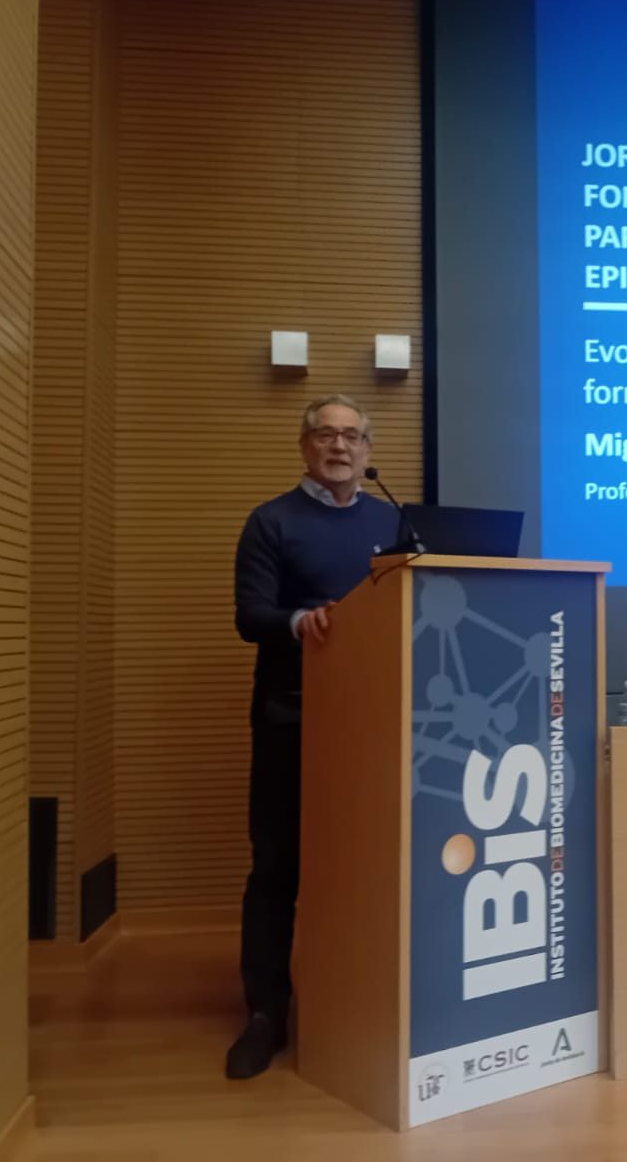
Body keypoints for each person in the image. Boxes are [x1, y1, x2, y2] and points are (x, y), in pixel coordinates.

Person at [226, 394, 398, 1079]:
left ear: (367, 450)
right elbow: (250, 616)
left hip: (378, 723)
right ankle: (266, 1013)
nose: (339, 446)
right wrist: (301, 621)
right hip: (291, 718)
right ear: (305, 446)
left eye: (352, 436)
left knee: (372, 866)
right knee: (277, 867)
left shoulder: (392, 522)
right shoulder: (271, 521)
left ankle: (364, 1005)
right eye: (326, 434)